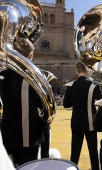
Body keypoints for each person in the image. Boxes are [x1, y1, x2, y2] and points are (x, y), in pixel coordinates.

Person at [0, 32, 48, 167]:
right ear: (31, 56)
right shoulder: (36, 76)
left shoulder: (2, 74)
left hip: (7, 132)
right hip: (30, 134)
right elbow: (44, 105)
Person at [63, 62, 102, 170]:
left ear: (77, 71)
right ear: (88, 71)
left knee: (75, 152)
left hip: (76, 123)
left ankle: (73, 168)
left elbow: (66, 105)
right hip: (90, 123)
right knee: (93, 152)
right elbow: (101, 102)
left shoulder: (70, 86)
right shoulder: (94, 85)